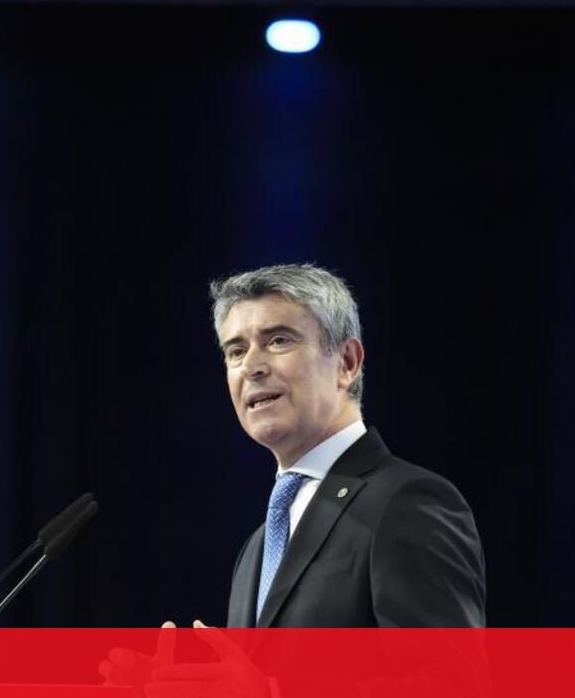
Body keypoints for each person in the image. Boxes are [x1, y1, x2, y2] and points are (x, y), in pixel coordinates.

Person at [100, 264, 486, 696]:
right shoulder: (257, 546)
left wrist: (272, 692)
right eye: (235, 351)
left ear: (346, 362)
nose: (252, 366)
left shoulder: (406, 501)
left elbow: (454, 686)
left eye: (278, 340)